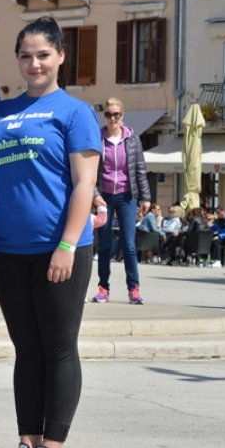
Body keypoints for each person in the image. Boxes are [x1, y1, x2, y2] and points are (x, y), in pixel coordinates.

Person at [0, 17, 100, 448]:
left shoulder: (75, 113)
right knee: (25, 349)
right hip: (9, 249)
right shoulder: (4, 112)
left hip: (59, 247)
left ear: (60, 58)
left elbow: (84, 184)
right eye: (26, 56)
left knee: (57, 347)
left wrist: (67, 245)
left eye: (43, 55)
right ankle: (26, 442)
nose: (34, 64)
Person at [92, 96, 151, 304]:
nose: (112, 118)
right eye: (108, 114)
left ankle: (133, 289)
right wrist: (95, 194)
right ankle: (103, 288)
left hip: (127, 195)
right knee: (104, 244)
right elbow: (90, 170)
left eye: (116, 114)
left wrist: (145, 197)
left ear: (122, 115)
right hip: (104, 196)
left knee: (128, 243)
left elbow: (140, 170)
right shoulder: (97, 138)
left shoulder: (133, 139)